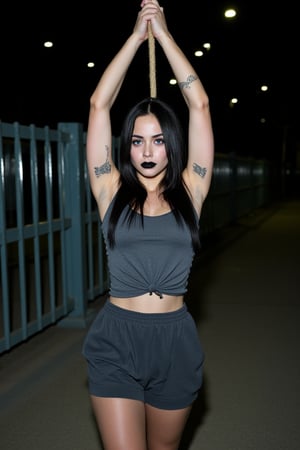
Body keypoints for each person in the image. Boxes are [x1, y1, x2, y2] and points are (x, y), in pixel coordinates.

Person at [82, 1, 214, 448]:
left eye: (158, 139)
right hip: (117, 340)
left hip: (175, 343)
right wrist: (138, 37)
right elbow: (100, 104)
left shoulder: (192, 190)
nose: (147, 150)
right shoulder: (110, 192)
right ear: (128, 147)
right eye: (137, 140)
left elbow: (198, 103)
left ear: (171, 144)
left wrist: (166, 36)